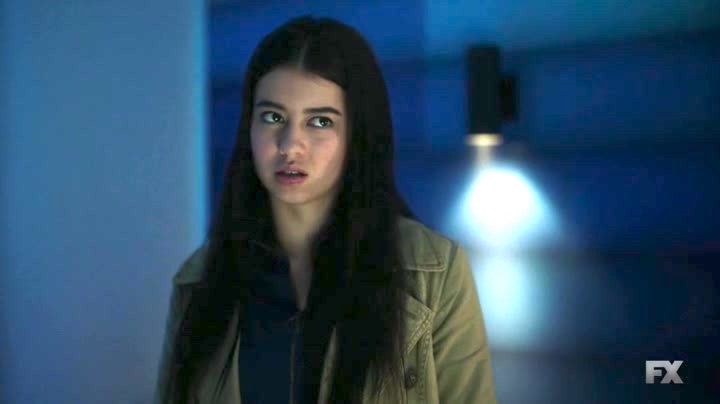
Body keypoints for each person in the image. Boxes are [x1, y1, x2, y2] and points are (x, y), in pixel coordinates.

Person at [154, 16, 496, 404]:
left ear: (357, 134)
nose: (290, 145)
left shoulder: (435, 273)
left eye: (319, 121)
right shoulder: (199, 282)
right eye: (273, 117)